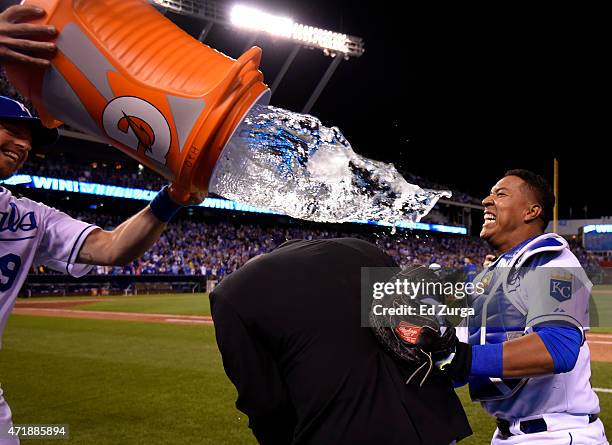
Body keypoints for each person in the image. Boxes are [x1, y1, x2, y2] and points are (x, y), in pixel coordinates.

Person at [0, 94, 202, 442]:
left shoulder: (29, 217)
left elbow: (111, 249)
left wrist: (172, 199)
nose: (23, 144)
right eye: (12, 130)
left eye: (30, 140)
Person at [210, 238, 472, 445]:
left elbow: (264, 402)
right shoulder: (361, 248)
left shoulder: (231, 293)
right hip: (433, 421)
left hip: (344, 430)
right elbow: (414, 333)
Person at [435, 170, 608, 444]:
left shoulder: (554, 260)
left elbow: (558, 348)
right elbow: (458, 361)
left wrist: (462, 357)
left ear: (531, 211)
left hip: (555, 435)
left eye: (500, 194)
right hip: (506, 433)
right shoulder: (488, 278)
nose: (485, 201)